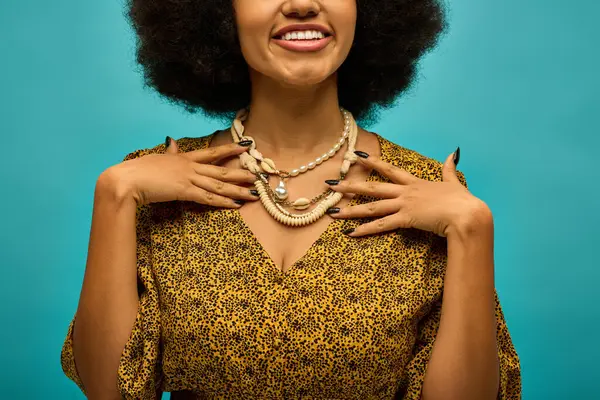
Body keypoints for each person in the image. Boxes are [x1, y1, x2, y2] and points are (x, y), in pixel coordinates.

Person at [60, 0, 521, 398]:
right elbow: (108, 391)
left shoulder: (425, 195)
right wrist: (115, 196)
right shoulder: (151, 185)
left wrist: (472, 231)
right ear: (221, 12)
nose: (302, 3)